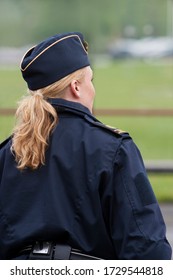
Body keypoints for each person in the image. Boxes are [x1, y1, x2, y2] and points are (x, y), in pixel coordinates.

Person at [0, 32, 172, 260]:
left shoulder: (5, 154)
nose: (93, 89)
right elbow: (147, 248)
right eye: (90, 80)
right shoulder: (114, 149)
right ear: (76, 87)